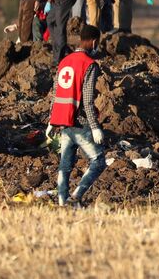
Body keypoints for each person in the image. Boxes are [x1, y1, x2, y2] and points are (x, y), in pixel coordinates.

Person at [46, 24, 106, 207]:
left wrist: (51, 120)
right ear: (94, 41)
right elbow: (87, 101)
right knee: (98, 161)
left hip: (64, 122)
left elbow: (55, 94)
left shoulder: (64, 62)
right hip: (80, 123)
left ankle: (62, 202)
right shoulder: (89, 65)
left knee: (65, 166)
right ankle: (76, 196)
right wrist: (95, 127)